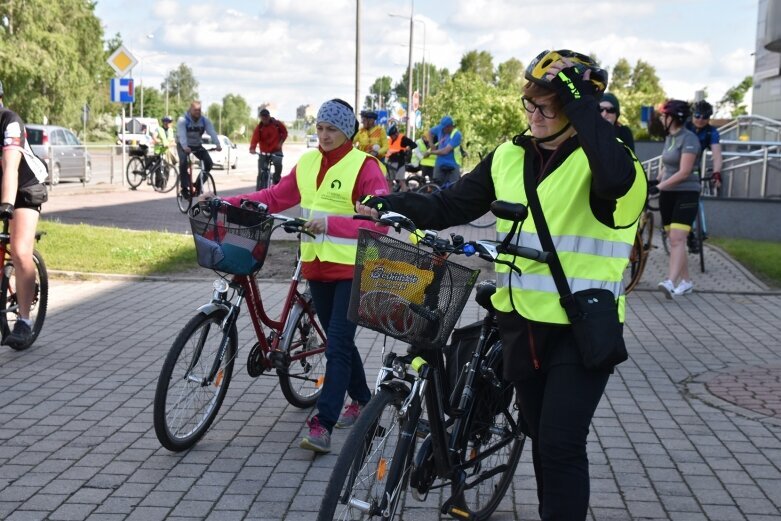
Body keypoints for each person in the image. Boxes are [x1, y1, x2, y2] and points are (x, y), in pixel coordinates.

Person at [358, 49, 646, 520]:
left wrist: (581, 102)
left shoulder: (612, 163)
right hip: (521, 323)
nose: (534, 115)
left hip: (581, 327)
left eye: (547, 107)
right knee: (537, 435)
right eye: (528, 104)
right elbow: (453, 205)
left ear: (577, 112)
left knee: (560, 444)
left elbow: (614, 182)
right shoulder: (510, 155)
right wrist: (392, 203)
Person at [220, 99, 389, 454]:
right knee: (338, 342)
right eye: (320, 129)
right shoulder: (309, 162)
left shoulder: (366, 167)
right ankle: (362, 399)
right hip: (316, 266)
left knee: (338, 345)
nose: (324, 136)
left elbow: (380, 224)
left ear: (348, 132)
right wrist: (230, 203)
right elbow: (274, 197)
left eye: (333, 130)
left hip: (353, 269)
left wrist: (330, 223)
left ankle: (322, 424)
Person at [0, 103, 49, 347]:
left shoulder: (9, 121)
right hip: (3, 188)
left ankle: (25, 321)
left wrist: (7, 205)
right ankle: (8, 285)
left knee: (20, 250)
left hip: (25, 188)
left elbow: (10, 167)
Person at [655, 99, 701, 299]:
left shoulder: (689, 139)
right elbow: (669, 164)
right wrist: (658, 178)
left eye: (664, 116)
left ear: (673, 118)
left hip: (686, 192)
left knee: (677, 238)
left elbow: (684, 171)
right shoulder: (670, 138)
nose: (662, 119)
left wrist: (660, 186)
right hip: (668, 194)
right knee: (675, 240)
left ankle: (670, 281)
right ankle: (686, 282)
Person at [176, 101, 220, 198]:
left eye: (199, 110)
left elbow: (211, 131)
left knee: (208, 163)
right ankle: (184, 188)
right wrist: (185, 147)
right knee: (183, 163)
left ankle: (198, 184)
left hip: (196, 145)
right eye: (195, 110)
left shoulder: (204, 120)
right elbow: (182, 135)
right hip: (183, 145)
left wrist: (217, 144)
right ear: (190, 110)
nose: (197, 112)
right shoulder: (183, 120)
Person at [686, 100, 723, 192]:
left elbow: (717, 155)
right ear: (692, 115)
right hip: (674, 166)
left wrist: (716, 173)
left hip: (693, 168)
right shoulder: (684, 126)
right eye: (697, 116)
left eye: (705, 117)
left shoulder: (711, 132)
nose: (700, 120)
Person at [249, 108, 288, 190]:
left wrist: (280, 143)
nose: (265, 119)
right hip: (264, 152)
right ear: (260, 118)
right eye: (263, 118)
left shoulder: (276, 124)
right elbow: (254, 139)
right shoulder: (259, 128)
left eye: (266, 117)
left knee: (278, 163)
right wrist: (252, 148)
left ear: (269, 116)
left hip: (276, 150)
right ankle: (259, 190)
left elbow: (285, 133)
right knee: (261, 172)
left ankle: (276, 182)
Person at [425, 115, 463, 185]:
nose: (442, 129)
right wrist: (431, 143)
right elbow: (430, 132)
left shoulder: (457, 135)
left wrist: (431, 152)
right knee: (436, 185)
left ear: (450, 127)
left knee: (454, 186)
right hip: (440, 162)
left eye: (444, 128)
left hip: (453, 164)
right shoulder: (441, 128)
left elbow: (445, 151)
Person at [385, 125, 416, 192]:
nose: (391, 137)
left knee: (401, 181)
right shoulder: (390, 139)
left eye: (392, 135)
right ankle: (389, 196)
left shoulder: (403, 138)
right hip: (391, 162)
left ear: (396, 133)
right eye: (390, 136)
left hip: (400, 163)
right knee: (389, 181)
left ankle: (405, 196)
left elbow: (414, 145)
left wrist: (408, 148)